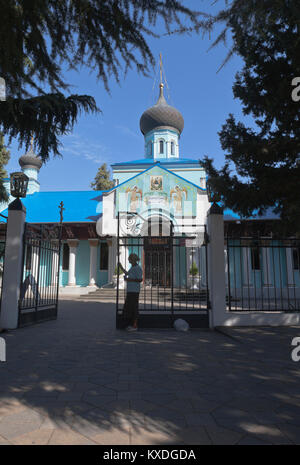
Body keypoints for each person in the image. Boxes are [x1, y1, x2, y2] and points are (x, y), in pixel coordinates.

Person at [119, 253, 143, 331]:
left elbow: (140, 279)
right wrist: (121, 267)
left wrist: (129, 280)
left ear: (133, 259)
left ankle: (135, 325)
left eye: (129, 258)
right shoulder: (132, 267)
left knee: (134, 307)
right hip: (130, 291)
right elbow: (127, 273)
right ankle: (131, 324)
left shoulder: (138, 268)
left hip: (134, 291)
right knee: (129, 307)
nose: (128, 260)